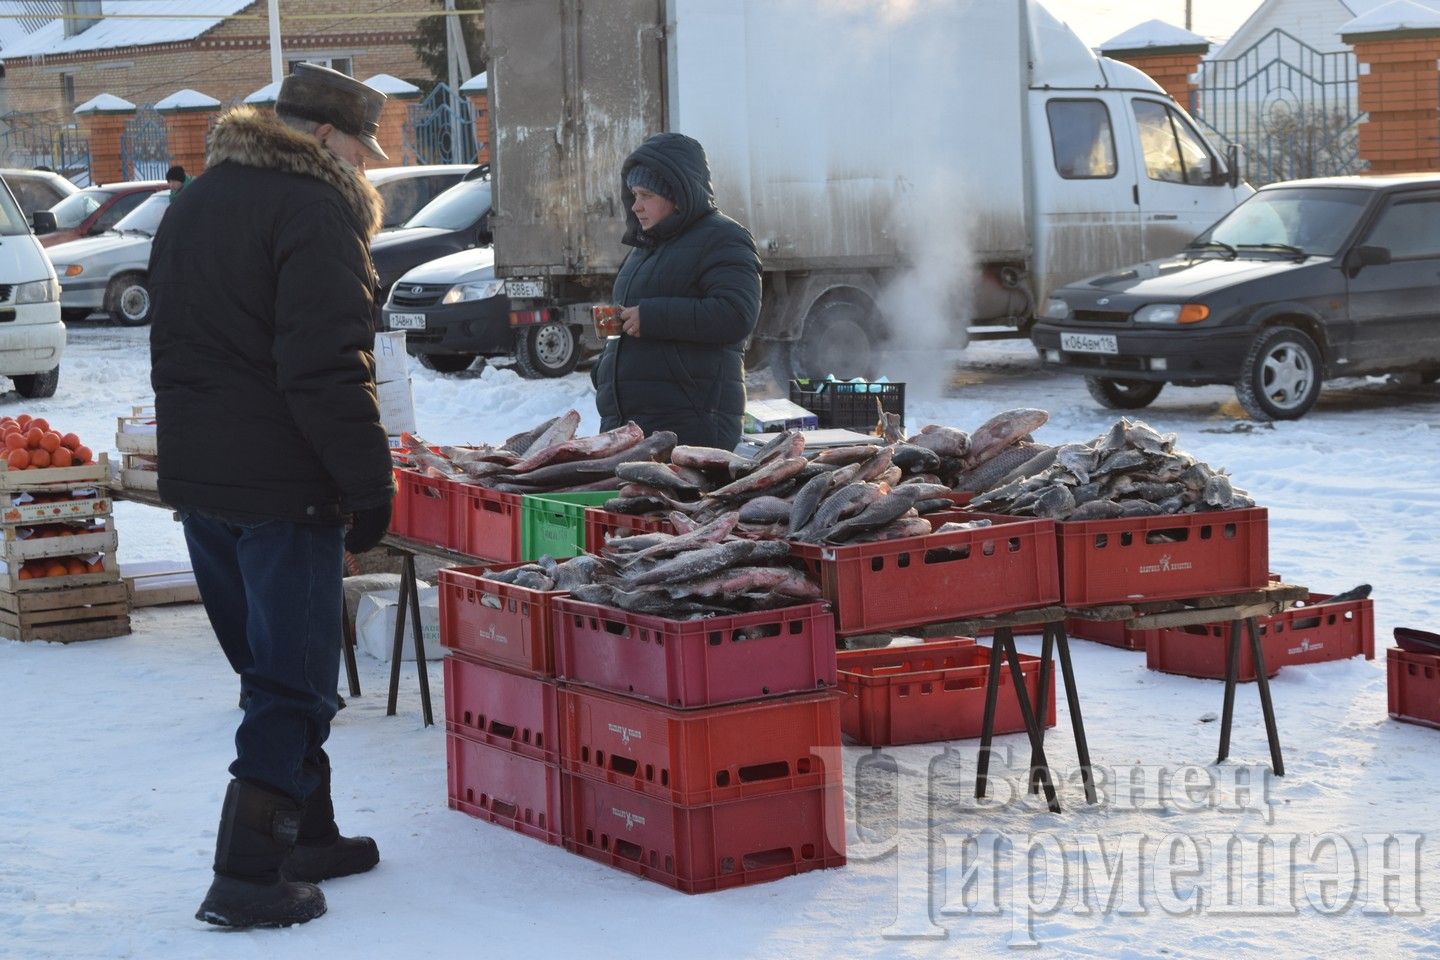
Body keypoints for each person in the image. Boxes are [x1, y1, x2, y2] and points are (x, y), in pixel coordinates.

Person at [148, 62, 395, 930]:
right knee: (291, 683)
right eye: (359, 149)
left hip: (204, 481)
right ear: (322, 138)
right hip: (282, 486)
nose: (364, 167)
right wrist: (370, 485)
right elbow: (327, 368)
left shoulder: (198, 200)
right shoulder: (315, 207)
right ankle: (247, 877)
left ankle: (308, 833)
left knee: (269, 667)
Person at [593, 132, 762, 451]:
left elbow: (735, 314)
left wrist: (652, 317)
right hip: (632, 426)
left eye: (646, 195)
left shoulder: (724, 238)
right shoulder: (645, 247)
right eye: (633, 194)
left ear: (678, 193)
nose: (636, 206)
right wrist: (607, 366)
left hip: (688, 428)